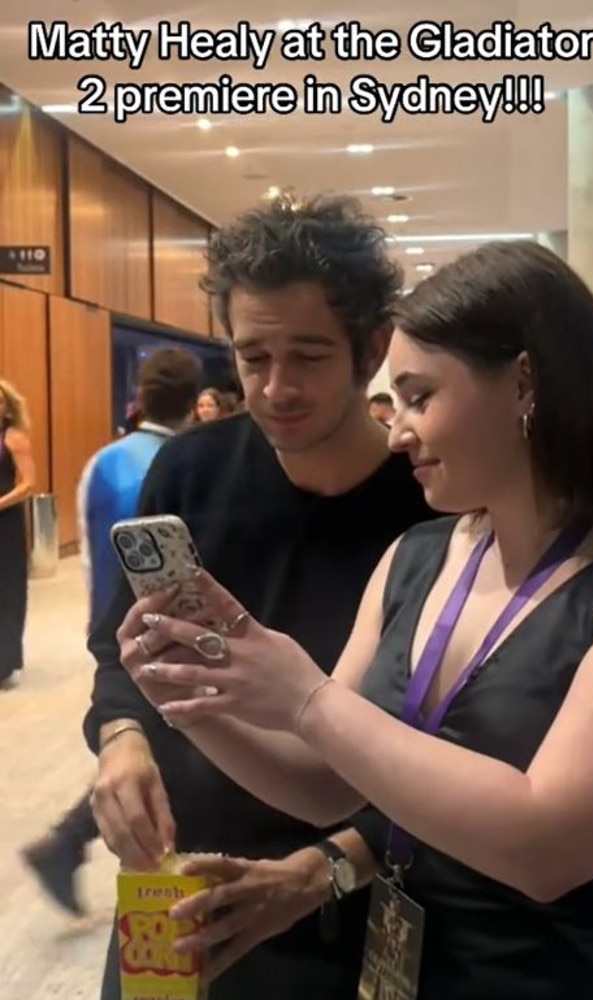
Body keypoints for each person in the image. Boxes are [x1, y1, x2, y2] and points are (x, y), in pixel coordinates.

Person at [119, 241, 593, 999]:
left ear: (525, 383)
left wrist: (307, 698)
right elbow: (326, 785)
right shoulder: (419, 554)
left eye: (419, 397)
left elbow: (546, 845)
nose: (397, 432)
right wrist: (188, 697)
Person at [85, 192, 436, 1000]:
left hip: (344, 903)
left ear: (372, 346)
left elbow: (463, 746)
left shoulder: (432, 506)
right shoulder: (190, 472)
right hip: (181, 887)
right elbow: (120, 645)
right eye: (252, 358)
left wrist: (331, 865)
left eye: (309, 357)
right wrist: (123, 736)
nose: (277, 387)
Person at [21, 348, 201, 915]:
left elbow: (93, 558)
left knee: (146, 745)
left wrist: (100, 628)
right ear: (195, 400)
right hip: (171, 630)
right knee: (169, 748)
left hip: (109, 627)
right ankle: (76, 844)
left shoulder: (102, 461)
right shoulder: (191, 465)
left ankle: (69, 843)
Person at [0, 379, 36, 689]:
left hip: (6, 522)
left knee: (7, 588)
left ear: (8, 409)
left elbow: (28, 483)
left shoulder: (14, 439)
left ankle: (5, 659)